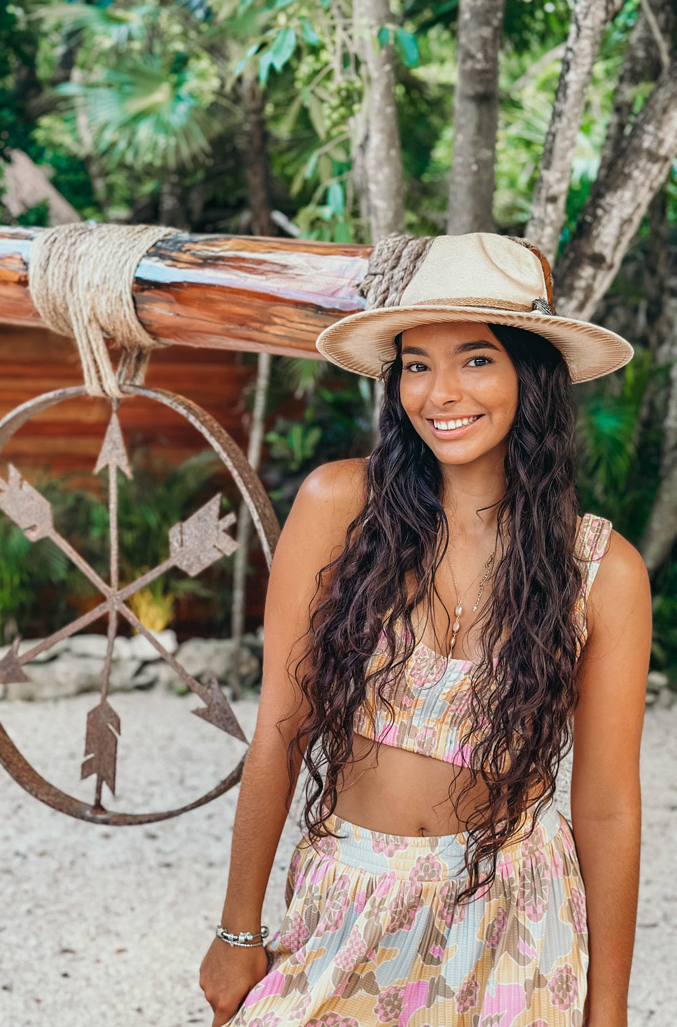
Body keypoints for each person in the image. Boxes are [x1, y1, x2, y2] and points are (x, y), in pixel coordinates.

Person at [199, 233, 651, 1027]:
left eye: (476, 358)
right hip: (348, 896)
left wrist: (606, 1010)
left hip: (516, 913)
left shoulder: (602, 572)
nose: (441, 392)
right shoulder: (339, 506)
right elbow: (279, 725)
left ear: (530, 374)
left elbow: (609, 804)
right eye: (417, 363)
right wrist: (238, 929)